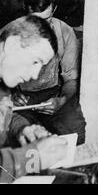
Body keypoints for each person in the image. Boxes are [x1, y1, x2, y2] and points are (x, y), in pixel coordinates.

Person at [8, 0, 86, 145]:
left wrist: (62, 100)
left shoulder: (65, 32)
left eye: (47, 20)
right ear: (25, 10)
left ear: (54, 9)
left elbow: (71, 78)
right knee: (22, 141)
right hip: (20, 99)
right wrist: (11, 95)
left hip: (53, 95)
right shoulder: (7, 34)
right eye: (35, 21)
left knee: (75, 132)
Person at [0, 15, 67, 183]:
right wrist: (31, 158)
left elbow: (3, 113)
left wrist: (22, 129)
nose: (35, 75)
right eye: (35, 61)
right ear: (12, 45)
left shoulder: (4, 81)